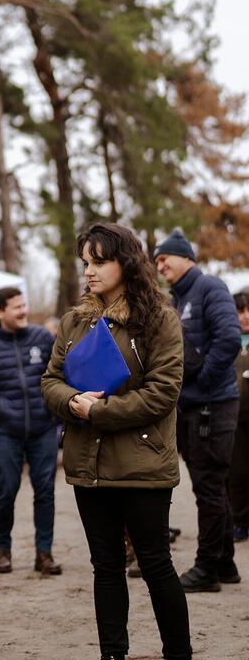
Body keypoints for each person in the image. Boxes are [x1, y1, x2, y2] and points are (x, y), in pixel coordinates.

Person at [42, 222, 190, 660]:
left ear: (126, 263)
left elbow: (164, 392)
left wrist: (98, 412)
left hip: (143, 464)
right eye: (85, 262)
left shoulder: (158, 317)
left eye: (100, 261)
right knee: (105, 567)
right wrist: (72, 402)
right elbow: (50, 380)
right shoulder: (74, 321)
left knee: (156, 564)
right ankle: (113, 654)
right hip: (89, 464)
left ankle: (178, 653)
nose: (89, 270)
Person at [153, 229, 242, 592]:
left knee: (208, 487)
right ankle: (225, 564)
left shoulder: (209, 287)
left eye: (165, 258)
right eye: (156, 261)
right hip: (192, 406)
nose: (160, 265)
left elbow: (229, 339)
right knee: (210, 485)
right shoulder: (177, 297)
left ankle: (206, 568)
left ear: (187, 257)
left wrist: (202, 385)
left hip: (213, 406)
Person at [0, 287, 61, 575]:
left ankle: (44, 554)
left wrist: (55, 415)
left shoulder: (42, 338)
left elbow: (58, 377)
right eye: (16, 307)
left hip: (43, 430)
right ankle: (4, 551)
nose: (23, 311)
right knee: (6, 492)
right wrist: (1, 409)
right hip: (5, 433)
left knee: (46, 492)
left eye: (24, 305)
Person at [230, 291, 249, 542]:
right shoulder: (229, 340)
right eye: (239, 311)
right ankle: (241, 520)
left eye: (247, 310)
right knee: (238, 472)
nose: (244, 316)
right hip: (234, 414)